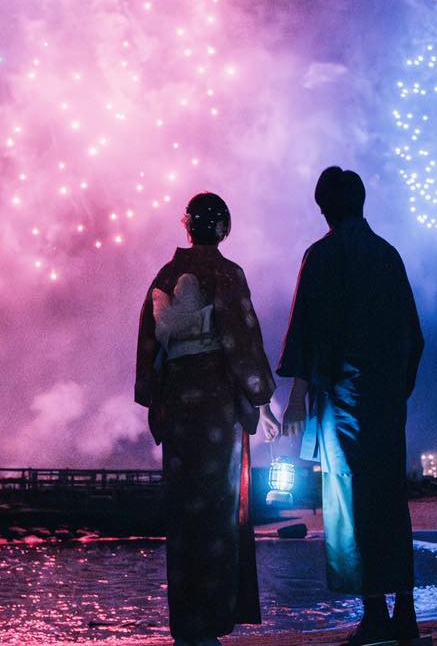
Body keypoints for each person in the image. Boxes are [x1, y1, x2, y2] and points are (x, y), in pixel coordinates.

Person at [279, 167, 428, 646]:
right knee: (390, 501)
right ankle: (405, 612)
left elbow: (307, 333)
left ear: (324, 208)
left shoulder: (321, 256)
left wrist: (298, 399)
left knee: (351, 503)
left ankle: (375, 614)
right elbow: (413, 336)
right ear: (361, 203)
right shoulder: (388, 255)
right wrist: (394, 391)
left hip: (342, 403)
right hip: (385, 403)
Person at [135, 191, 280, 646]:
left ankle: (187, 627)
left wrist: (156, 397)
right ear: (221, 228)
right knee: (218, 512)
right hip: (217, 405)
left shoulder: (165, 275)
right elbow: (242, 339)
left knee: (184, 515)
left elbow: (149, 346)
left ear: (187, 226)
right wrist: (261, 398)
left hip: (178, 405)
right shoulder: (226, 274)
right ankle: (211, 623)